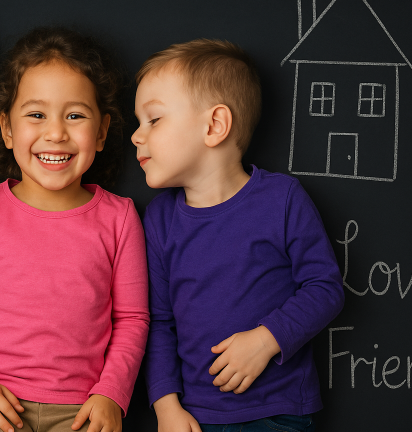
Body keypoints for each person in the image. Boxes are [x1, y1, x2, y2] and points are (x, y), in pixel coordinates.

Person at [0, 27, 149, 432]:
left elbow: (133, 318)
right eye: (36, 114)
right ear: (7, 129)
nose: (55, 133)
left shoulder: (119, 217)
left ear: (101, 132)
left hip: (84, 412)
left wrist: (111, 395)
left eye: (75, 115)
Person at [132, 39, 345, 432]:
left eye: (153, 120)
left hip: (279, 412)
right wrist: (166, 407)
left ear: (214, 125)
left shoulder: (281, 199)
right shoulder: (159, 220)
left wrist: (266, 341)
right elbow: (159, 322)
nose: (136, 136)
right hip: (194, 418)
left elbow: (324, 287)